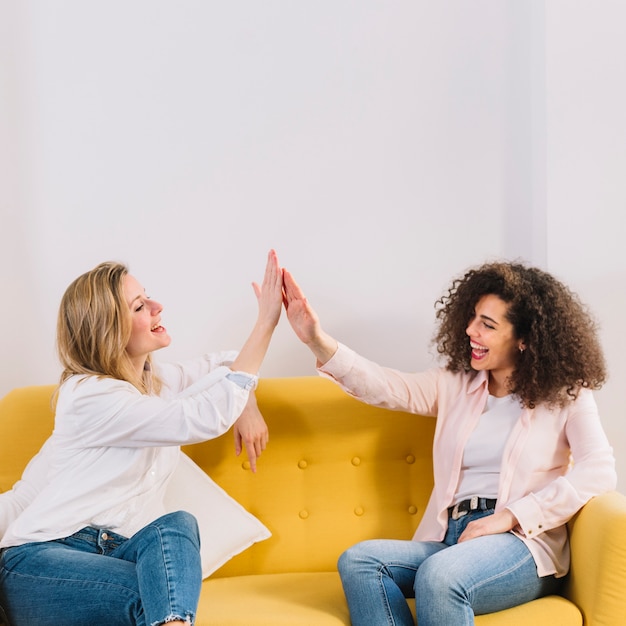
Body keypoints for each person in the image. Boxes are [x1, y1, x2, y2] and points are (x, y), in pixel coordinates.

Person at [282, 260, 616, 626]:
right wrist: (317, 339)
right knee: (361, 561)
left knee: (440, 576)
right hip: (451, 538)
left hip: (520, 543)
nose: (471, 330)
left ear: (525, 339)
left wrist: (510, 517)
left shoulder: (567, 395)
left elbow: (598, 470)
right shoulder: (455, 384)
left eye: (488, 325)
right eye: (473, 318)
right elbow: (385, 387)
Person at [0, 249, 284, 626]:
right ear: (108, 330)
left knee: (178, 525)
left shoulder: (154, 384)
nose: (157, 306)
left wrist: (247, 404)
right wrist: (265, 322)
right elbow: (199, 417)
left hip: (117, 556)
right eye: (139, 306)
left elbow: (226, 363)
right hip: (40, 563)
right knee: (155, 595)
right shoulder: (89, 395)